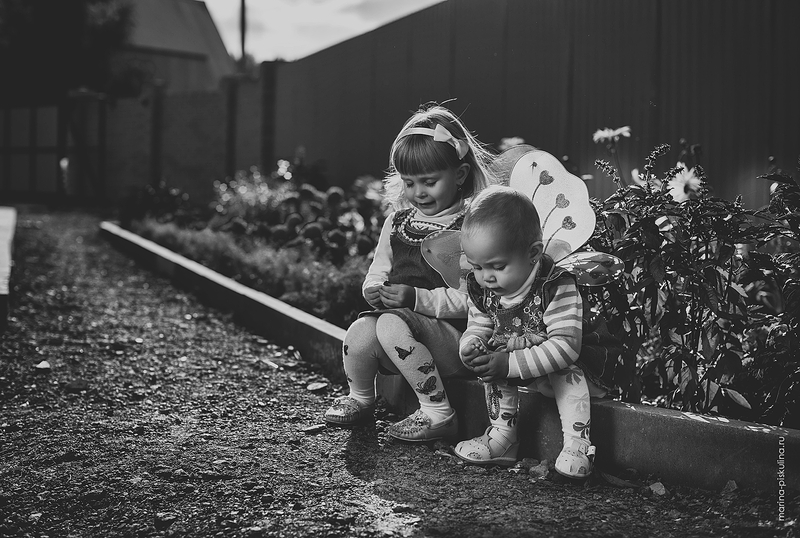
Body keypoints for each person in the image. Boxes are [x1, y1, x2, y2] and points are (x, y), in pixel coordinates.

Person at [323, 104, 496, 442]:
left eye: (430, 182)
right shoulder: (397, 222)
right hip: (401, 338)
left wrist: (415, 298)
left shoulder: (471, 227)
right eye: (409, 182)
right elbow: (378, 270)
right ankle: (361, 399)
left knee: (390, 322)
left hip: (457, 342)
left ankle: (438, 413)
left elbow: (474, 299)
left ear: (460, 174)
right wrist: (374, 289)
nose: (419, 192)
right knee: (360, 331)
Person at [454, 185, 604, 478]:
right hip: (523, 366)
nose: (486, 277)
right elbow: (479, 324)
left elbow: (566, 346)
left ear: (533, 253)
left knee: (567, 373)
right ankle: (503, 436)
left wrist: (509, 364)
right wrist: (471, 345)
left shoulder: (554, 285)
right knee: (492, 363)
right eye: (477, 267)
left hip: (571, 364)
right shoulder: (484, 287)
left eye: (497, 266)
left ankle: (578, 444)